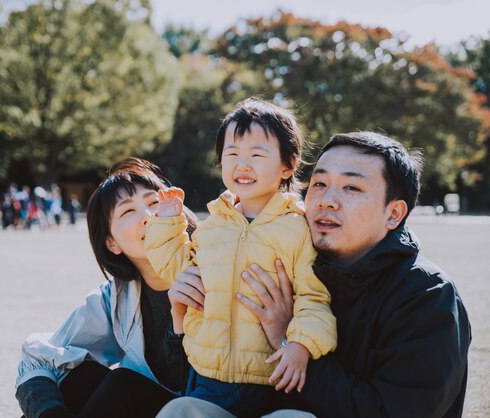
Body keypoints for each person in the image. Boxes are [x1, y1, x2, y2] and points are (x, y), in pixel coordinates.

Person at [157, 132, 471, 418]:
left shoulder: (426, 295)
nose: (325, 200)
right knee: (183, 410)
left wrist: (287, 340)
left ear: (393, 213)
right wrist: (181, 315)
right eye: (319, 184)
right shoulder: (290, 260)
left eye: (351, 187)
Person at [145, 98, 336, 418]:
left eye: (257, 155)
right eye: (232, 154)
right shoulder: (213, 225)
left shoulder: (296, 227)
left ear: (288, 165)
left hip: (274, 377)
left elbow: (314, 297)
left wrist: (300, 346)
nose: (242, 164)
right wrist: (167, 222)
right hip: (207, 377)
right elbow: (178, 271)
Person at [15, 158, 203, 418]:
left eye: (154, 202)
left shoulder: (211, 268)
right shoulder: (117, 296)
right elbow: (40, 358)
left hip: (205, 408)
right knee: (79, 378)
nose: (148, 217)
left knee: (123, 385)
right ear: (112, 243)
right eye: (128, 211)